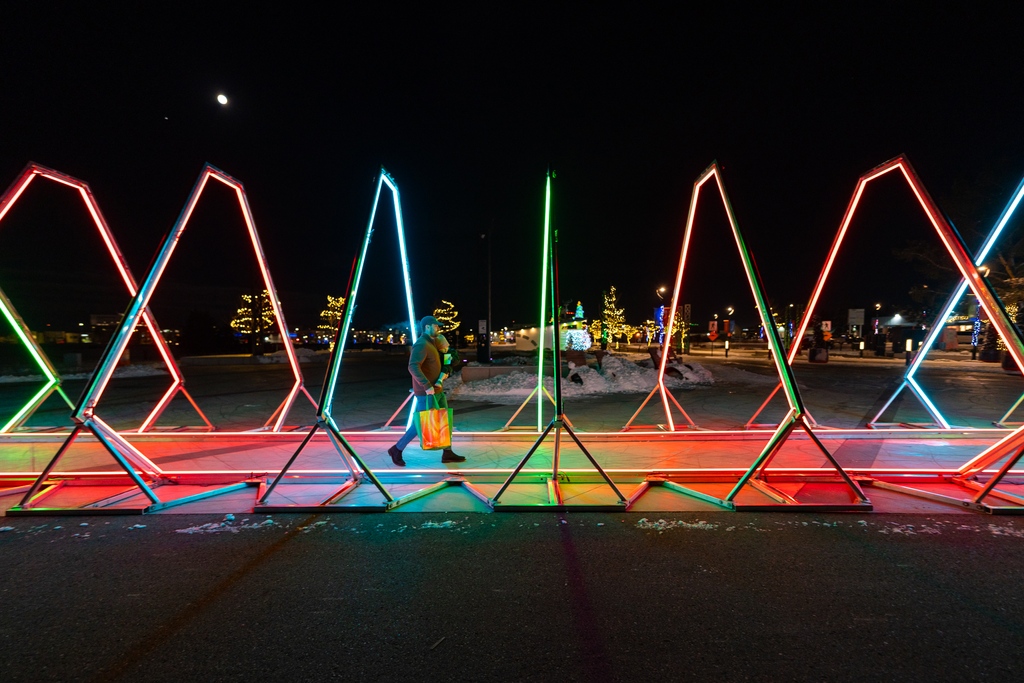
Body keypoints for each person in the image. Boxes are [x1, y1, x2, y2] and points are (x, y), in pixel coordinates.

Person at [387, 316, 466, 467]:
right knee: (422, 423)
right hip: (427, 393)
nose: (438, 328)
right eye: (436, 326)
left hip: (437, 390)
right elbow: (413, 366)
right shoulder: (421, 344)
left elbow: (446, 359)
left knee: (444, 420)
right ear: (428, 326)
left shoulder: (432, 343)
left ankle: (447, 452)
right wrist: (426, 385)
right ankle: (396, 449)